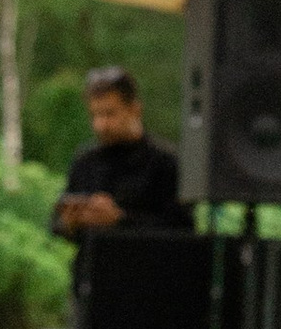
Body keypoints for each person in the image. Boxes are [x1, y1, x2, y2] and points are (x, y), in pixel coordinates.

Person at [50, 69, 192, 242]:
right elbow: (56, 224)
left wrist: (119, 219)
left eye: (109, 114)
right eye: (95, 115)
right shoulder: (86, 161)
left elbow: (182, 229)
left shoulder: (166, 162)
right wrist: (71, 222)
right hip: (93, 266)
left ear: (134, 109)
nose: (101, 125)